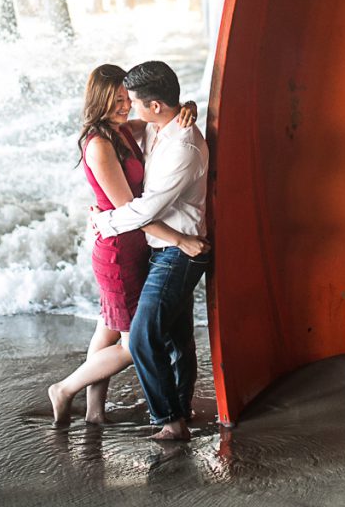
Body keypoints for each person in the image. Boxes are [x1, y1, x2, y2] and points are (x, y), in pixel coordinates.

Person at [48, 64, 204, 426]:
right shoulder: (100, 145)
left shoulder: (123, 131)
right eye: (118, 101)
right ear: (100, 101)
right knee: (134, 342)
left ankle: (94, 412)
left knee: (107, 329)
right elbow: (133, 212)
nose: (125, 107)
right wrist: (182, 240)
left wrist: (186, 106)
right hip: (119, 249)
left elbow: (158, 121)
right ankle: (64, 389)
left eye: (128, 99)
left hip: (135, 245)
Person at [91, 60, 210, 442]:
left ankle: (170, 422)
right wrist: (185, 105)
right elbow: (123, 138)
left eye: (134, 102)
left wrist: (103, 222)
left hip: (179, 250)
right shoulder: (157, 129)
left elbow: (146, 208)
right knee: (177, 335)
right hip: (163, 247)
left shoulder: (183, 147)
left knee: (142, 336)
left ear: (155, 106)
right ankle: (181, 407)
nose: (129, 111)